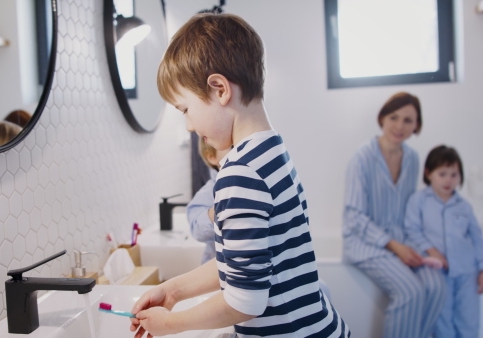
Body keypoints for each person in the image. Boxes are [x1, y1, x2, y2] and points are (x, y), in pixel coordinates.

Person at [130, 13, 349, 338]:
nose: (189, 126)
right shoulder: (272, 151)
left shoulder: (239, 173)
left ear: (219, 89)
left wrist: (171, 324)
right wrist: (174, 291)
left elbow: (245, 301)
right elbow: (243, 261)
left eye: (185, 110)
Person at [342, 92, 445, 338]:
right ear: (382, 119)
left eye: (408, 120)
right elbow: (354, 217)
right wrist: (395, 247)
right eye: (394, 117)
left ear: (416, 125)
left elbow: (410, 213)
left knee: (437, 286)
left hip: (401, 240)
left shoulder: (412, 158)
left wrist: (426, 248)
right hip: (365, 244)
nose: (399, 126)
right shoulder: (362, 157)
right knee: (411, 291)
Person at [404, 145, 483, 338]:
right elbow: (412, 231)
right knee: (442, 323)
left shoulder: (464, 206)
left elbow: (477, 238)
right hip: (438, 272)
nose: (448, 180)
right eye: (442, 174)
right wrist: (433, 251)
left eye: (454, 174)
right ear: (428, 173)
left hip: (467, 273)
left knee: (469, 321)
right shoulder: (418, 201)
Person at [186, 137, 231, 264]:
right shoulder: (208, 192)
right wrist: (219, 208)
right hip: (215, 268)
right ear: (211, 156)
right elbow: (197, 230)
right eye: (232, 148)